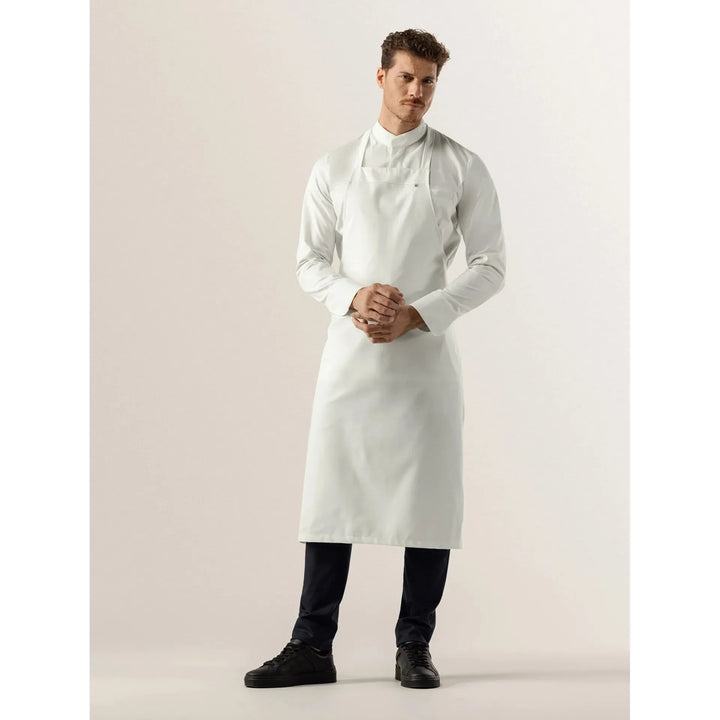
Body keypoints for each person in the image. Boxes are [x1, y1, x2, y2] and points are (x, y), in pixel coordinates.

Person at [244, 28, 506, 690]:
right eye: (406, 77)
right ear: (381, 76)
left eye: (428, 81)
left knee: (429, 503)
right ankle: (312, 644)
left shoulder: (461, 166)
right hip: (351, 359)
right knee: (331, 496)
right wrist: (354, 297)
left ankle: (414, 644)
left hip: (424, 363)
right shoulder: (334, 167)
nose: (417, 91)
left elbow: (490, 265)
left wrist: (419, 313)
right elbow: (309, 261)